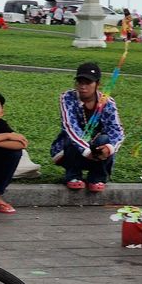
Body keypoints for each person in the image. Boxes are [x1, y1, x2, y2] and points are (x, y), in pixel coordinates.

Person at [50, 62, 124, 193]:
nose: (83, 87)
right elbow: (70, 126)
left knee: (105, 139)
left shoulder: (108, 102)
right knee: (71, 137)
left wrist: (109, 148)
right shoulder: (67, 97)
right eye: (80, 82)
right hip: (70, 151)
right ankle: (73, 175)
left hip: (97, 150)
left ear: (97, 84)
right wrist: (86, 150)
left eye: (88, 83)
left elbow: (116, 130)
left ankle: (97, 177)